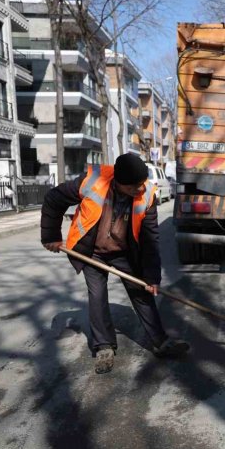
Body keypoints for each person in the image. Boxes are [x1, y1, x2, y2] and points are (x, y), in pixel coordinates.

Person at [41, 153, 188, 374]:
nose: (140, 189)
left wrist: (151, 277)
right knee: (97, 295)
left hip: (125, 252)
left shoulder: (146, 194)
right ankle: (104, 347)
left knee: (142, 291)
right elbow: (54, 198)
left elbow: (150, 239)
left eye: (141, 183)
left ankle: (160, 341)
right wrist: (51, 236)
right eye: (134, 186)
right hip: (92, 252)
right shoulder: (93, 181)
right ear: (119, 182)